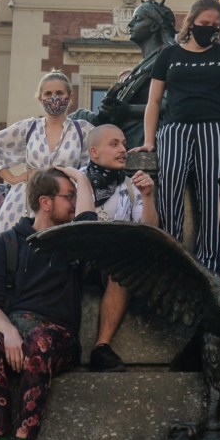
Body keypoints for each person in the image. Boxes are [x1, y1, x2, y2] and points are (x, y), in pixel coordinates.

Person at [0, 165, 98, 440]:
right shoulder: (9, 243)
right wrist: (9, 332)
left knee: (40, 341)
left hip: (58, 338)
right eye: (67, 196)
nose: (73, 203)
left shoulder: (73, 241)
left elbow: (88, 219)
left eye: (74, 196)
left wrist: (80, 178)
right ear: (45, 201)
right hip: (17, 331)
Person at [138, 0, 220, 273]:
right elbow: (154, 101)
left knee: (213, 192)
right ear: (192, 22)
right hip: (176, 129)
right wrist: (149, 141)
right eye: (204, 23)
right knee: (170, 184)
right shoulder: (169, 55)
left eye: (215, 25)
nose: (209, 28)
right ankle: (171, 257)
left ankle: (213, 263)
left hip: (219, 128)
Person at [74, 123, 156, 371]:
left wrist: (148, 196)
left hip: (109, 264)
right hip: (72, 258)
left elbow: (149, 230)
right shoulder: (72, 180)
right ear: (94, 152)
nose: (123, 150)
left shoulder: (132, 185)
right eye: (114, 144)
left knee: (124, 267)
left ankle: (102, 348)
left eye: (124, 144)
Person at [0, 72, 93, 244]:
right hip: (22, 203)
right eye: (48, 94)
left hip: (63, 204)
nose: (54, 97)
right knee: (13, 252)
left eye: (59, 93)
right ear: (40, 98)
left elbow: (101, 153)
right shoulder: (29, 128)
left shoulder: (82, 130)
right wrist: (12, 178)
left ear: (70, 96)